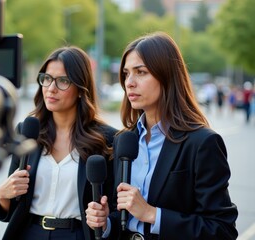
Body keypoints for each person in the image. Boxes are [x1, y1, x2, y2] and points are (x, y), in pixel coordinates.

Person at [85, 32, 238, 240]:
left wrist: (152, 214)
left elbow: (222, 230)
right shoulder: (124, 140)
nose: (129, 82)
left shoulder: (202, 142)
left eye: (141, 72)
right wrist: (106, 223)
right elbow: (121, 213)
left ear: (167, 76)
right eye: (126, 73)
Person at [0, 46, 118, 240]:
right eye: (47, 78)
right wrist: (3, 195)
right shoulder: (27, 131)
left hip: (77, 234)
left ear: (80, 88)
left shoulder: (107, 138)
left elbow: (114, 210)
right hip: (29, 232)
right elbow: (12, 207)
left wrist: (105, 220)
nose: (51, 88)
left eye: (63, 81)